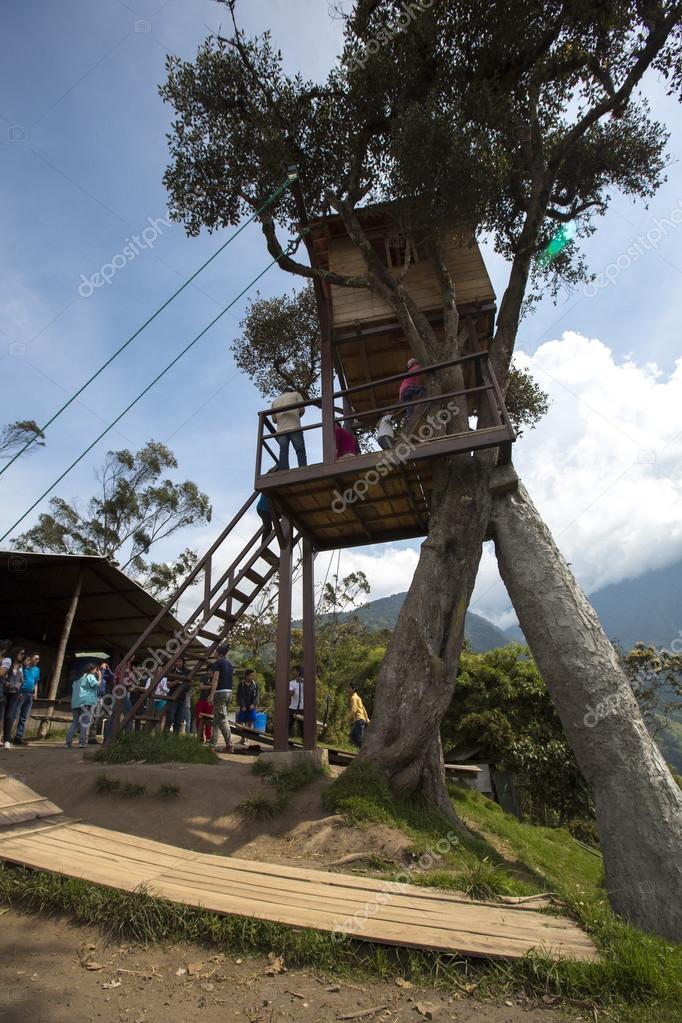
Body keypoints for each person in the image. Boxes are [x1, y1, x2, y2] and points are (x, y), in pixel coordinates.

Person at [65, 663, 100, 749]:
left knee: (75, 722)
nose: (96, 671)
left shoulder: (77, 678)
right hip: (86, 702)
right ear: (92, 670)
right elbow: (97, 684)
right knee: (85, 722)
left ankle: (68, 743)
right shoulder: (90, 676)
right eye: (96, 670)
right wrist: (100, 676)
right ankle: (82, 742)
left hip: (75, 703)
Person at [271, 389, 307, 470]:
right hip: (294, 427)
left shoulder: (274, 402)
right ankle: (303, 468)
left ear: (282, 392)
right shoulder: (296, 394)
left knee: (283, 450)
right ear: (291, 391)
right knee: (299, 449)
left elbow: (274, 420)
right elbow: (302, 409)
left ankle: (284, 469)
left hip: (281, 430)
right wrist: (297, 415)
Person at [209, 643, 234, 752]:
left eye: (215, 651)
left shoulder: (217, 663)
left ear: (219, 653)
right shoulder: (229, 664)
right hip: (229, 692)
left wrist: (211, 694)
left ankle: (213, 745)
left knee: (217, 720)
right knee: (222, 718)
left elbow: (215, 679)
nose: (214, 653)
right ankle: (228, 744)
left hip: (220, 693)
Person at [12, 652, 40, 746]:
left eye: (38, 659)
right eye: (36, 658)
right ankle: (7, 736)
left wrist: (35, 693)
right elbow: (19, 680)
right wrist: (19, 691)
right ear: (31, 659)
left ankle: (18, 737)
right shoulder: (24, 668)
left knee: (24, 717)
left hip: (30, 695)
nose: (37, 660)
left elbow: (36, 682)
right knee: (14, 715)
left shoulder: (37, 669)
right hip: (21, 693)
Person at [1, 646, 25, 748]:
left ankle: (7, 740)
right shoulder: (8, 661)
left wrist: (18, 687)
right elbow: (2, 676)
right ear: (16, 653)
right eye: (21, 653)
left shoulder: (20, 666)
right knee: (1, 715)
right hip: (4, 692)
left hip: (14, 693)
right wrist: (7, 683)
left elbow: (21, 680)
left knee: (10, 717)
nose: (22, 656)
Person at [164, 656, 190, 734]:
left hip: (182, 698)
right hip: (172, 698)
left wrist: (177, 682)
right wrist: (178, 681)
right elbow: (168, 685)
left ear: (183, 662)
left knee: (178, 720)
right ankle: (165, 737)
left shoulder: (187, 672)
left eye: (180, 661)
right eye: (177, 661)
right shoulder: (171, 672)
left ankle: (175, 738)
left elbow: (189, 685)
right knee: (170, 718)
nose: (178, 663)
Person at [236, 669, 259, 744]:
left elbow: (257, 696)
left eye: (253, 675)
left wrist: (253, 704)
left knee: (250, 723)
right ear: (246, 676)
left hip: (251, 707)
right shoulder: (241, 684)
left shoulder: (255, 684)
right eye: (251, 675)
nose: (252, 677)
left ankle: (247, 739)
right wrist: (242, 705)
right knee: (241, 723)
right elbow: (239, 696)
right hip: (243, 707)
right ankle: (242, 738)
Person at [349, 683, 370, 748]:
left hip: (359, 720)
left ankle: (365, 750)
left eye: (349, 688)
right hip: (361, 720)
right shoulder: (358, 698)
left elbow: (354, 709)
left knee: (359, 739)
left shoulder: (353, 698)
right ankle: (362, 750)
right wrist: (367, 719)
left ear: (354, 689)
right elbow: (363, 709)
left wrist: (348, 718)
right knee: (352, 735)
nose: (348, 690)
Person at [288, 666, 304, 738]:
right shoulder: (291, 683)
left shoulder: (305, 682)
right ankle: (284, 740)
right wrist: (292, 692)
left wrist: (303, 682)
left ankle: (305, 743)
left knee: (303, 727)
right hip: (292, 707)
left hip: (302, 708)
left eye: (294, 671)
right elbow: (290, 694)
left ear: (298, 672)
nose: (292, 672)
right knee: (288, 725)